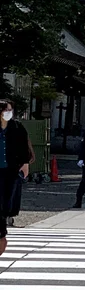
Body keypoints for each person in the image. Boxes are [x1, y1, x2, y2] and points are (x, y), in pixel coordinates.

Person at [0, 100, 30, 258]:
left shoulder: (17, 127)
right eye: (6, 110)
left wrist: (25, 163)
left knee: (7, 202)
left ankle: (2, 229)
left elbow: (24, 146)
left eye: (10, 110)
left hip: (11, 170)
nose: (8, 113)